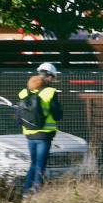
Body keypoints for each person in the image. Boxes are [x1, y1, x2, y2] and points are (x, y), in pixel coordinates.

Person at [19, 63, 63, 196]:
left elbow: (17, 118)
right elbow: (57, 115)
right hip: (44, 135)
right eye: (52, 78)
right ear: (49, 77)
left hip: (29, 135)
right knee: (40, 166)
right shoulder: (50, 92)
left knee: (33, 164)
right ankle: (37, 194)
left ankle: (26, 193)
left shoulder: (24, 93)